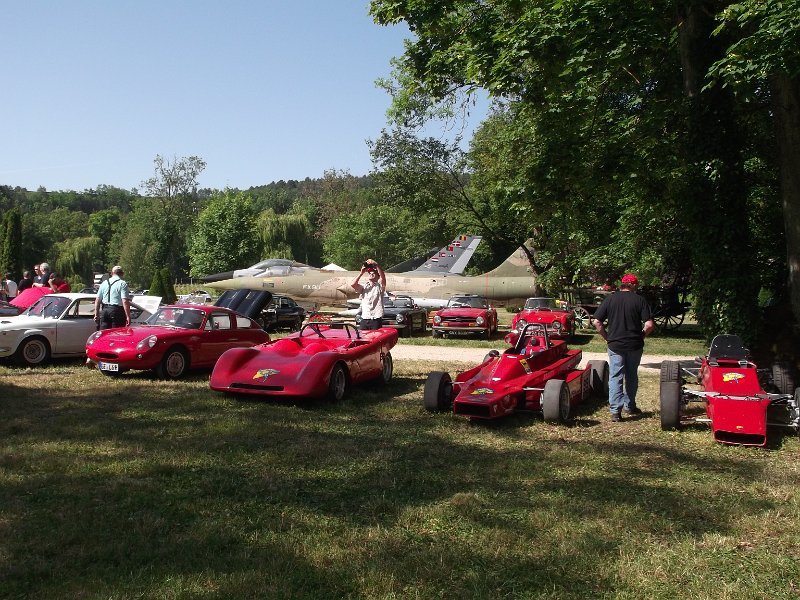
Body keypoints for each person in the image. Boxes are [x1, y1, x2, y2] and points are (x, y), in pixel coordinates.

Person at [592, 273, 655, 422]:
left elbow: (596, 322)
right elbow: (649, 325)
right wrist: (641, 336)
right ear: (634, 286)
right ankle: (629, 405)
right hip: (634, 345)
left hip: (615, 345)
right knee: (631, 375)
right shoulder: (639, 300)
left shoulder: (610, 299)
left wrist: (607, 337)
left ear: (622, 285)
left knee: (615, 376)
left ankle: (615, 411)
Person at [351, 259, 386, 330]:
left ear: (377, 277)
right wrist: (361, 273)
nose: (371, 274)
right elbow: (353, 284)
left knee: (375, 338)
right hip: (364, 318)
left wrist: (376, 265)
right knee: (362, 338)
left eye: (374, 273)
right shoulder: (364, 287)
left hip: (375, 319)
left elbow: (383, 278)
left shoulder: (379, 287)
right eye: (370, 273)